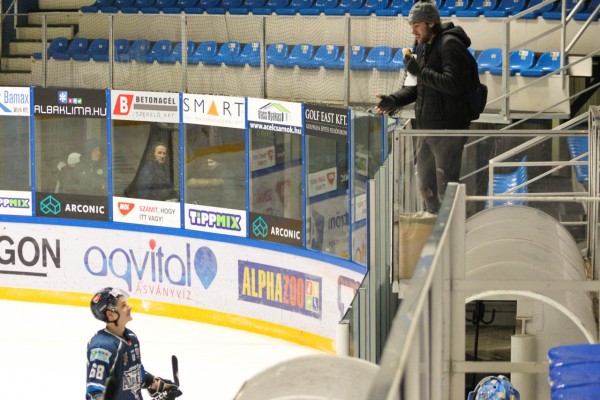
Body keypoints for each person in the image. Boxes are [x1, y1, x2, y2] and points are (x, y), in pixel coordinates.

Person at [375, 0, 474, 214]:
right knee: (425, 189)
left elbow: (452, 84)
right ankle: (432, 232)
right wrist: (394, 99)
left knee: (446, 192)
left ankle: (451, 235)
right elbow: (418, 87)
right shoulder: (422, 47)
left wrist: (419, 70)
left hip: (448, 132)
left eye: (417, 25)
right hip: (425, 130)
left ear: (431, 23)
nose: (413, 31)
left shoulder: (450, 44)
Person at [86, 287, 182, 400]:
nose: (129, 307)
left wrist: (156, 385)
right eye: (123, 306)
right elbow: (95, 393)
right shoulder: (102, 348)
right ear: (111, 314)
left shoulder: (131, 337)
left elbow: (133, 373)